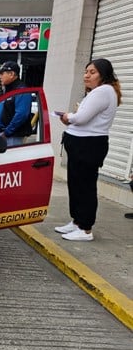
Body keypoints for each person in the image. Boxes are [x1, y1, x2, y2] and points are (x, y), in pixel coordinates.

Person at [54, 58, 122, 241]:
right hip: (81, 144)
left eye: (92, 72)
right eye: (86, 72)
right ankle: (76, 221)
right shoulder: (98, 92)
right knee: (75, 184)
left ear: (103, 75)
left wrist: (69, 116)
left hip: (88, 146)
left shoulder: (103, 91)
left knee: (85, 187)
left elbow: (82, 118)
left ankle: (85, 229)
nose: (87, 75)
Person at [0, 61, 33, 146]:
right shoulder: (7, 90)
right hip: (0, 134)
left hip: (11, 137)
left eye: (2, 74)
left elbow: (21, 114)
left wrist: (7, 132)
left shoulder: (21, 90)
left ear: (11, 74)